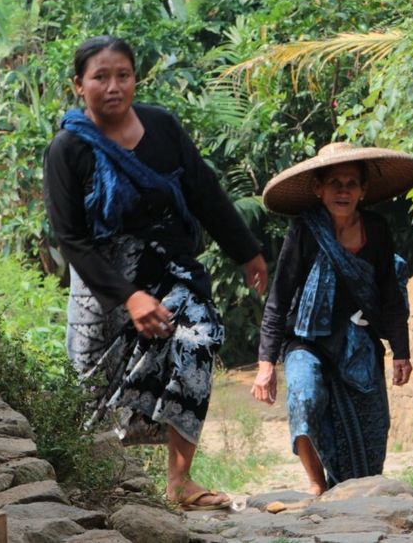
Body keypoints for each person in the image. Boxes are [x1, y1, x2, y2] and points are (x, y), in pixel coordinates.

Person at [43, 35, 268, 511]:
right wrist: (128, 296)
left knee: (199, 337)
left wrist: (247, 252)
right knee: (92, 393)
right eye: (99, 77)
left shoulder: (162, 128)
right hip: (102, 282)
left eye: (122, 74)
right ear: (78, 85)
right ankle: (95, 489)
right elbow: (72, 240)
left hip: (169, 266)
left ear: (135, 78)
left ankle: (180, 482)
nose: (112, 86)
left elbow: (204, 191)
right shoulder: (68, 150)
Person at [251, 142, 413, 495]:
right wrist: (265, 363)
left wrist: (401, 351)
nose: (343, 190)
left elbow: (389, 296)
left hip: (358, 338)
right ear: (319, 189)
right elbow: (280, 297)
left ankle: (354, 485)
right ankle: (315, 483)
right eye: (334, 183)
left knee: (371, 432)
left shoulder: (376, 229)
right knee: (304, 394)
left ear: (363, 191)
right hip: (306, 338)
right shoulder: (305, 230)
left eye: (351, 183)